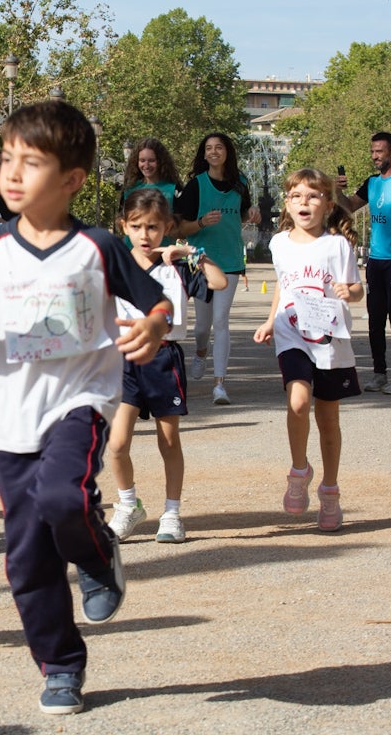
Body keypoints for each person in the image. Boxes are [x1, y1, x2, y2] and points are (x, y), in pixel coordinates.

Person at [0, 101, 172, 716]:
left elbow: (154, 302)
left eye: (29, 162)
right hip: (8, 418)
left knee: (65, 499)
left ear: (71, 180)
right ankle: (61, 664)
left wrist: (156, 327)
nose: (11, 173)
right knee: (28, 558)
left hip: (78, 400)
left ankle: (96, 555)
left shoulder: (98, 244)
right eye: (7, 158)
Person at [106, 188, 227, 544]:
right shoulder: (114, 264)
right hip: (124, 359)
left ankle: (172, 513)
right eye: (137, 226)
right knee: (116, 444)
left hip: (164, 358)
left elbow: (218, 283)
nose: (145, 235)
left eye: (154, 227)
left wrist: (192, 252)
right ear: (123, 225)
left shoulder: (178, 267)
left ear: (167, 228)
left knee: (169, 440)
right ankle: (128, 505)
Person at [254, 168, 363, 532]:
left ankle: (329, 491)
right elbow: (284, 288)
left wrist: (351, 292)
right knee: (298, 401)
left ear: (328, 205)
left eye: (313, 196)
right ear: (287, 203)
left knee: (328, 418)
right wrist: (271, 322)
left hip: (330, 336)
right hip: (292, 332)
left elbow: (355, 288)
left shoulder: (338, 245)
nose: (305, 202)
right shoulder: (279, 243)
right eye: (297, 195)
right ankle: (298, 470)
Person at [175, 132, 261, 405]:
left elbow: (246, 212)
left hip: (232, 261)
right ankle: (200, 352)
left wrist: (253, 213)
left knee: (221, 321)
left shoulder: (241, 183)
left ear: (227, 152)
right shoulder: (196, 186)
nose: (213, 152)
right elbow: (180, 227)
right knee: (202, 326)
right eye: (209, 148)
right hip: (201, 262)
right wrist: (201, 222)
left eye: (219, 147)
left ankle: (219, 385)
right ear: (204, 154)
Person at [334, 132, 391, 394]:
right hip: (376, 261)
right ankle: (379, 373)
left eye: (380, 151)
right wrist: (337, 191)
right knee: (375, 321)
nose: (375, 156)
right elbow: (348, 206)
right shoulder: (371, 184)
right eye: (372, 151)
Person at [121, 137, 181, 207]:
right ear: (136, 162)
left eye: (151, 160)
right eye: (142, 160)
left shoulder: (174, 190)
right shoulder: (130, 190)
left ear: (161, 161)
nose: (146, 165)